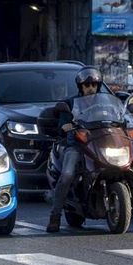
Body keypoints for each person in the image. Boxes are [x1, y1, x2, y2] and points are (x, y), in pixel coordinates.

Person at [46, 66, 102, 233]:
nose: (91, 88)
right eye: (87, 85)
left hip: (100, 145)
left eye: (94, 84)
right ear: (81, 87)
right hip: (78, 145)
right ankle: (55, 216)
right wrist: (66, 125)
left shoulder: (105, 102)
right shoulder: (70, 104)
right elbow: (61, 125)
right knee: (68, 174)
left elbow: (118, 116)